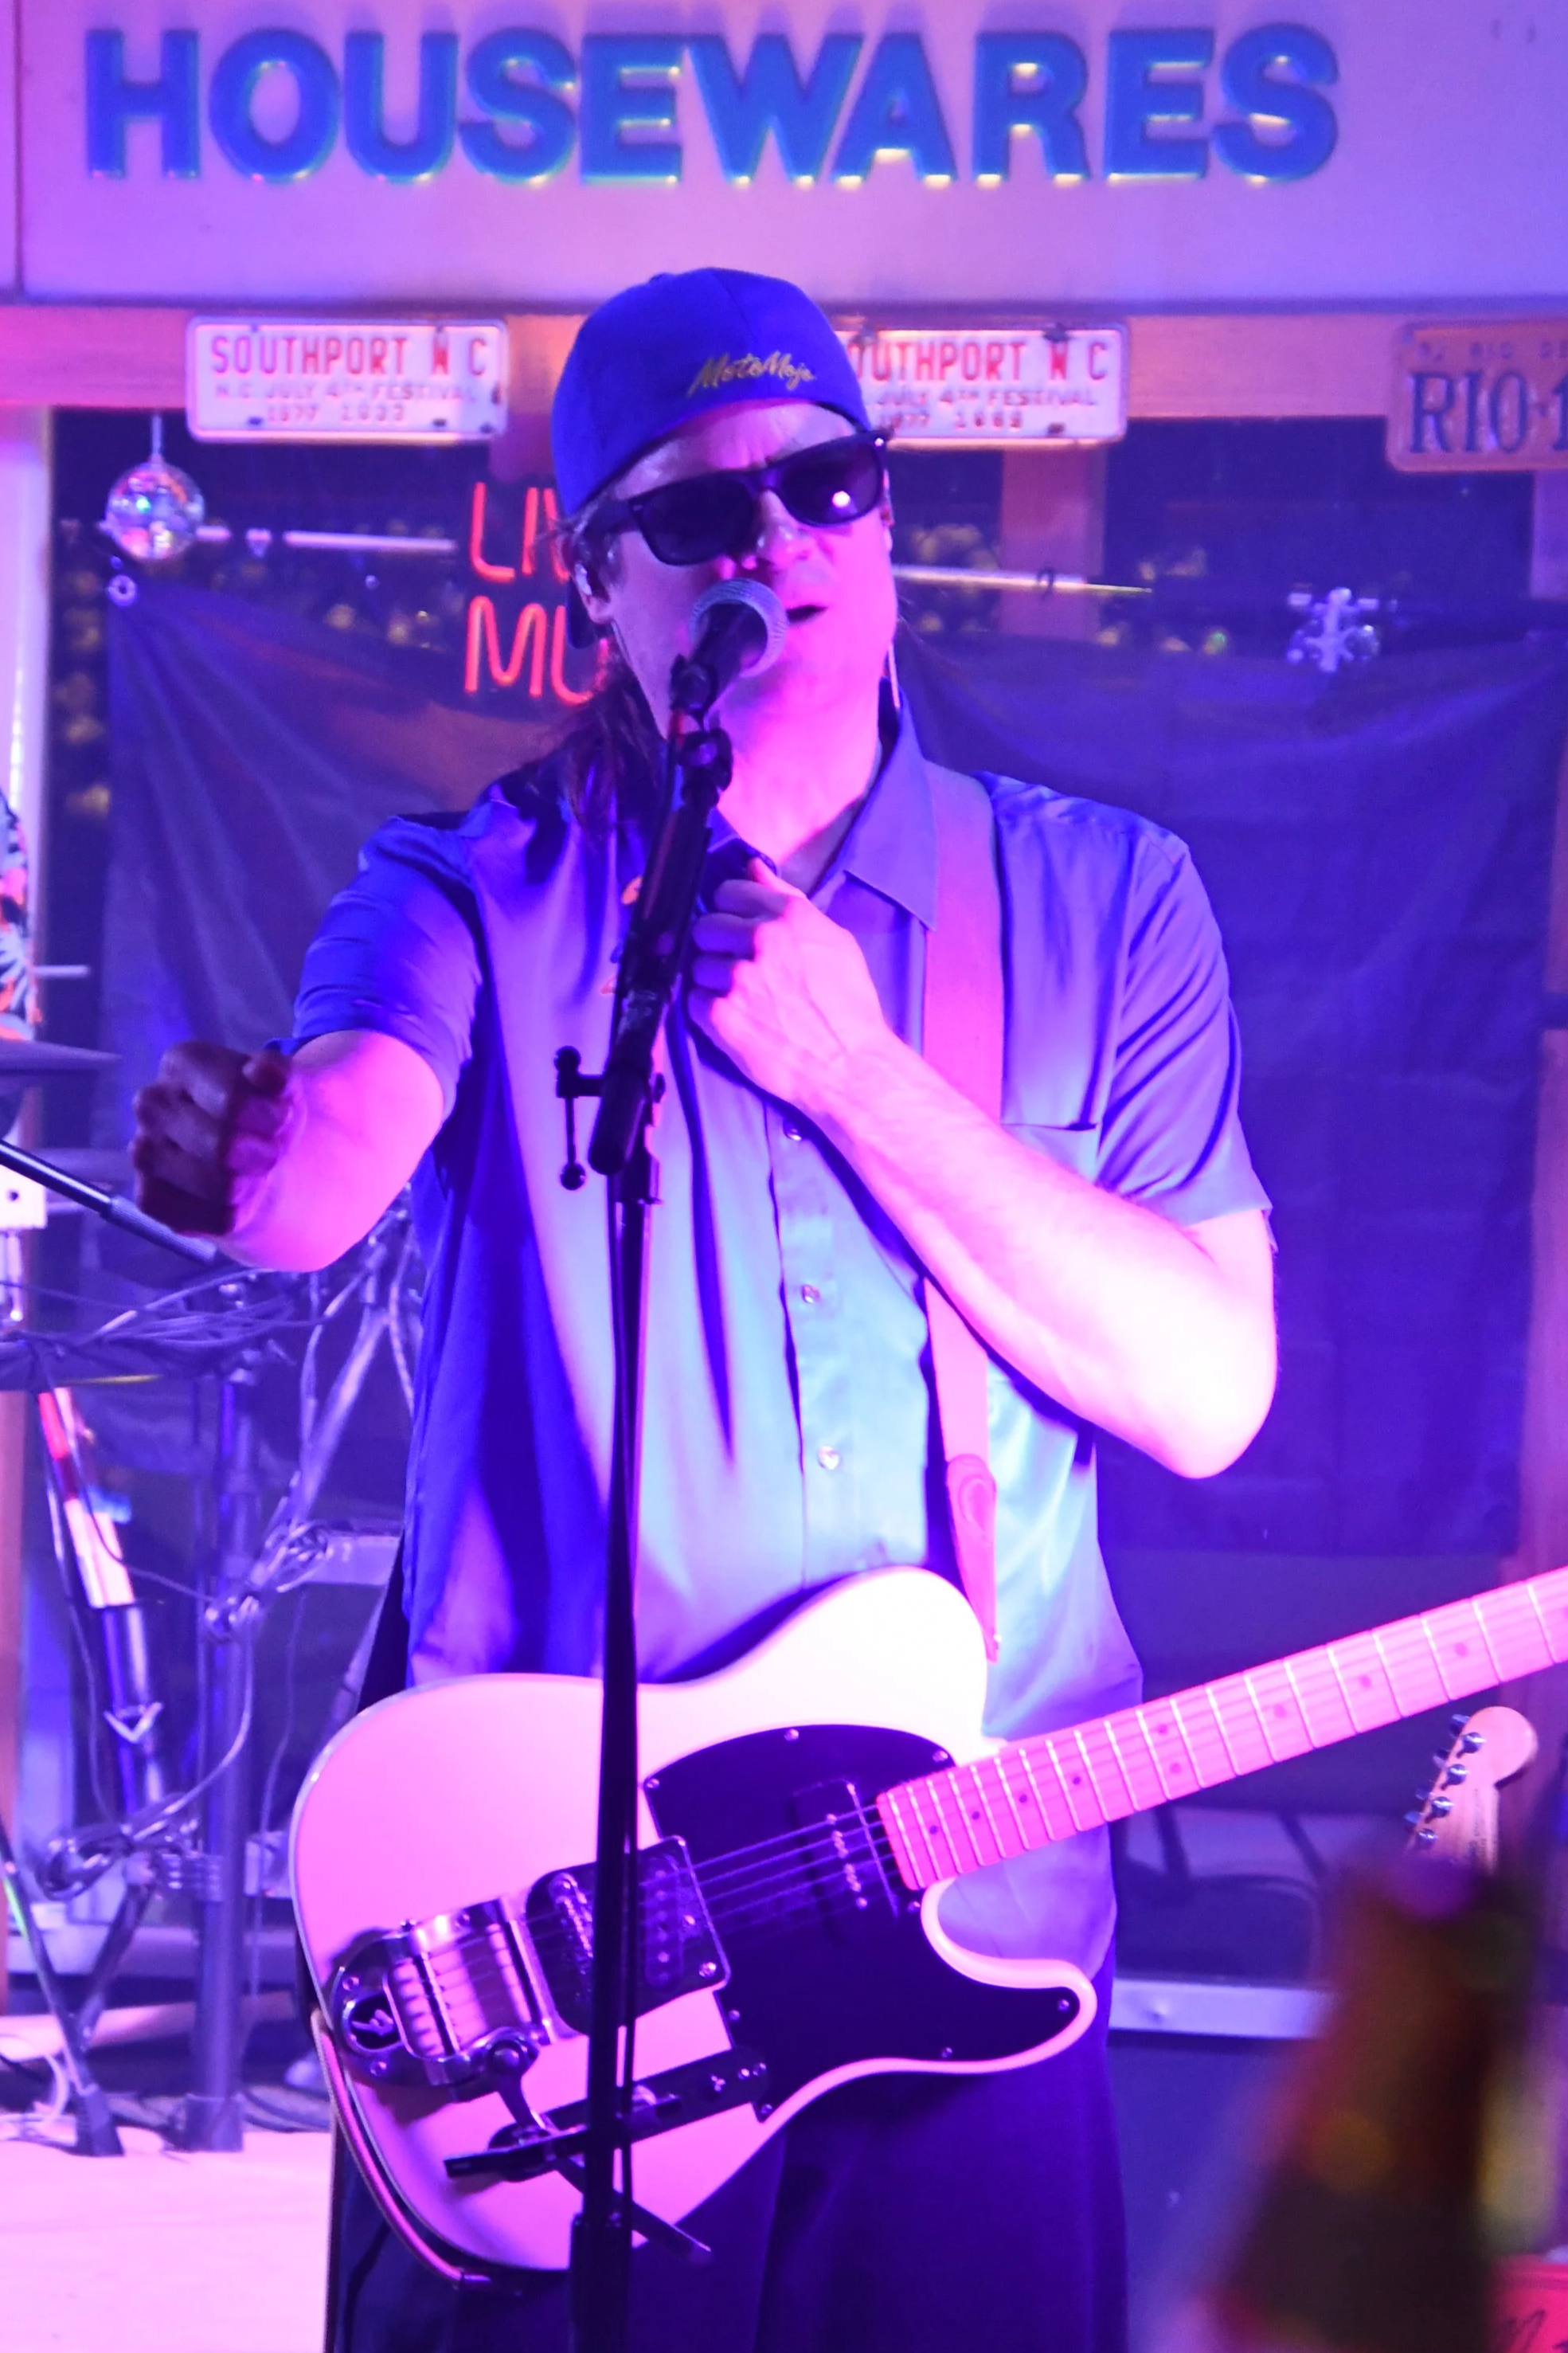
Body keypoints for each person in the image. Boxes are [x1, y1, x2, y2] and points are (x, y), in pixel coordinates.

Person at [130, 268, 1277, 2353]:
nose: (776, 546)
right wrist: (254, 1159)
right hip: (575, 1971)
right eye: (697, 516)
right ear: (602, 588)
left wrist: (856, 1069)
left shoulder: (1113, 903)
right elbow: (322, 1180)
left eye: (824, 487)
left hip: (975, 1930)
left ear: (883, 518)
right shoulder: (471, 887)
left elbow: (1206, 1394)